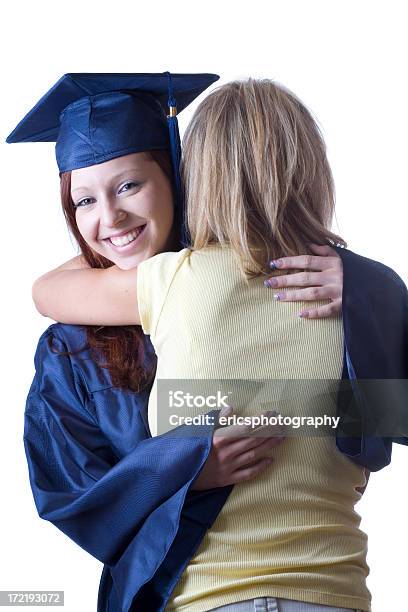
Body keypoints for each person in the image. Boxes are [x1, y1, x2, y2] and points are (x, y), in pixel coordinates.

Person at [27, 77, 407, 612]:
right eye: (83, 200)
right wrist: (182, 464)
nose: (108, 219)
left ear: (185, 178)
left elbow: (45, 290)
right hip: (305, 588)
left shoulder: (176, 281)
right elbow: (74, 497)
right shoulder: (70, 350)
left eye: (130, 186)